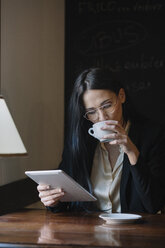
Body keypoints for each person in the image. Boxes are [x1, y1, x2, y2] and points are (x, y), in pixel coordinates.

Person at [37, 67, 165, 214]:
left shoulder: (153, 135)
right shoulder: (80, 141)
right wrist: (53, 200)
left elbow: (154, 204)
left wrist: (132, 152)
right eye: (91, 112)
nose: (102, 117)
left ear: (121, 96)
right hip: (87, 231)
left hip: (134, 232)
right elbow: (66, 202)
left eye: (107, 106)